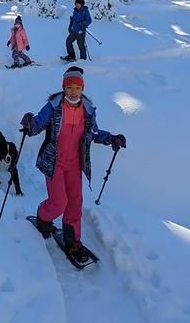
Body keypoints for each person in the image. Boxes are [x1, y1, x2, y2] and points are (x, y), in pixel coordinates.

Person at [20, 66, 126, 264]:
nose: (74, 91)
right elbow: (38, 124)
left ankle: (73, 241)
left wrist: (111, 138)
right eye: (70, 87)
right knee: (59, 202)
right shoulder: (53, 107)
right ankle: (43, 217)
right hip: (54, 163)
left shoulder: (87, 110)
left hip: (75, 164)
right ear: (64, 87)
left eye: (78, 87)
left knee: (75, 203)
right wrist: (29, 124)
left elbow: (94, 134)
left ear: (82, 88)